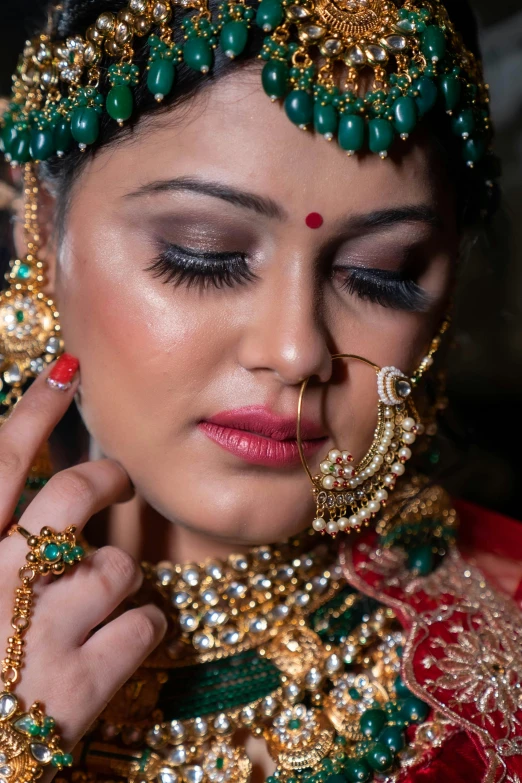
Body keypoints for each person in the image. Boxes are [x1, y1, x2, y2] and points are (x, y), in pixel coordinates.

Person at [0, 0, 519, 782]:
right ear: (40, 232)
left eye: (383, 272)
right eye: (202, 254)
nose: (296, 349)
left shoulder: (494, 658)